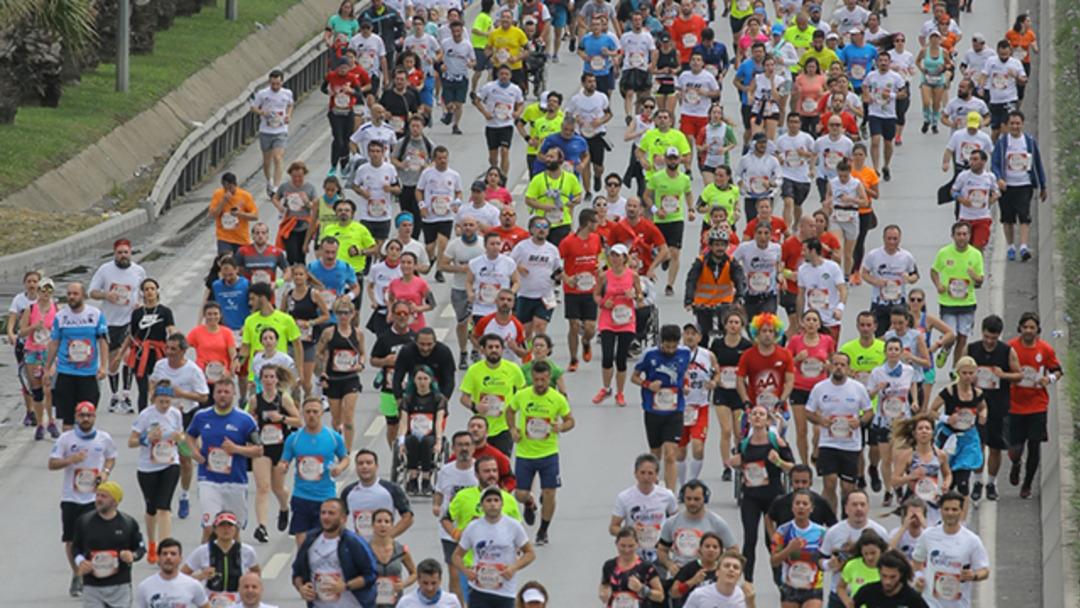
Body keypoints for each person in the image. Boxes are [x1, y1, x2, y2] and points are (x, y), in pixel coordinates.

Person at [49, 401, 118, 598]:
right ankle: (77, 573)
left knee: (93, 537)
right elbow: (52, 463)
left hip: (94, 498)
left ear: (95, 417)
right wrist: (70, 460)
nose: (85, 419)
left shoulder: (103, 438)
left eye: (89, 416)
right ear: (76, 417)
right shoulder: (66, 439)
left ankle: (95, 574)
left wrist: (105, 472)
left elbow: (111, 457)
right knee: (71, 539)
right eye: (82, 415)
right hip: (71, 497)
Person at [184, 381, 262, 542]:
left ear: (234, 394)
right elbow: (189, 436)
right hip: (208, 480)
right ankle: (206, 557)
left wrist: (236, 449)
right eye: (219, 392)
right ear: (213, 395)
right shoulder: (201, 416)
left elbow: (259, 450)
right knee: (209, 528)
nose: (222, 395)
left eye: (227, 392)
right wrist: (194, 452)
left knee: (232, 531)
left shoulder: (245, 420)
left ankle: (236, 558)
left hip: (235, 481)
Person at [507, 361, 574, 546]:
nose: (539, 383)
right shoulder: (522, 395)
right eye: (536, 380)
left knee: (549, 493)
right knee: (519, 494)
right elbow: (510, 411)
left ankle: (543, 530)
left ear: (549, 378)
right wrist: (512, 429)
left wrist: (561, 426)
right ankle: (529, 502)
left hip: (548, 453)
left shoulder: (557, 399)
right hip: (525, 453)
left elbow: (570, 421)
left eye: (543, 380)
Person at [150, 334, 211, 520]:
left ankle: (184, 495)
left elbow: (204, 396)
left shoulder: (192, 371)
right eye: (167, 348)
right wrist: (153, 400)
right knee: (160, 456)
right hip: (163, 417)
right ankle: (160, 497)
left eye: (174, 349)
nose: (169, 353)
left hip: (185, 418)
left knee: (185, 458)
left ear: (183, 351)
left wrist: (182, 394)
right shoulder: (160, 366)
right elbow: (153, 384)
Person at [806, 352, 873, 513]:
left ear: (848, 368)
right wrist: (821, 421)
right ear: (830, 366)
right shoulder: (820, 388)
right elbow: (808, 412)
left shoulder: (858, 388)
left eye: (843, 365)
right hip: (828, 443)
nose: (839, 368)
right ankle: (830, 520)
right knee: (829, 482)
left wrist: (860, 422)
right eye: (836, 364)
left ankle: (846, 518)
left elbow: (869, 412)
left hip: (850, 445)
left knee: (848, 487)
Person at [278, 396, 350, 546]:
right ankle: (303, 561)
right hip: (301, 496)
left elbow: (345, 458)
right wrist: (283, 466)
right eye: (308, 412)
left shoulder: (333, 437)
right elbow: (284, 460)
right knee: (302, 542)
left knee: (324, 541)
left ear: (321, 413)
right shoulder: (294, 438)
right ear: (302, 413)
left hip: (325, 497)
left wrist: (340, 467)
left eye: (315, 412)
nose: (311, 415)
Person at [452, 486, 536, 608]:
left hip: (505, 591)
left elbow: (530, 554)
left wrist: (513, 568)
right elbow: (456, 556)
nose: (493, 504)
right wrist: (466, 572)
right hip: (479, 590)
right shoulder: (473, 527)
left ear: (502, 504)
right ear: (482, 505)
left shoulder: (513, 526)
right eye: (489, 500)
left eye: (496, 500)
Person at [965, 314, 1019, 502]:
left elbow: (1019, 375)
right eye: (986, 337)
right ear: (982, 332)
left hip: (998, 405)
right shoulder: (971, 349)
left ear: (999, 335)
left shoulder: (1007, 351)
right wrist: (969, 378)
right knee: (977, 446)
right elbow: (960, 371)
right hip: (976, 404)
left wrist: (1003, 375)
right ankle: (977, 482)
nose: (989, 341)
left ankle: (991, 483)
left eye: (993, 338)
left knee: (995, 447)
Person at [1008, 311, 1062, 499]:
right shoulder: (1011, 348)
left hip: (1037, 405)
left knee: (1034, 445)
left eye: (1032, 327)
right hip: (1015, 404)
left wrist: (1049, 379)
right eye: (1025, 327)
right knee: (1015, 448)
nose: (1028, 331)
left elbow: (1057, 371)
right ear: (1020, 328)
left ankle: (1027, 484)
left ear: (1037, 329)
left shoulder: (1045, 349)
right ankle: (1016, 463)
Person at [631, 324, 692, 489]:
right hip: (653, 410)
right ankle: (655, 489)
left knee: (671, 454)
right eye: (667, 346)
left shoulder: (685, 353)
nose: (670, 350)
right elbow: (634, 377)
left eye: (673, 346)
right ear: (660, 341)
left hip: (675, 410)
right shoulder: (649, 355)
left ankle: (670, 494)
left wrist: (685, 385)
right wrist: (648, 384)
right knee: (655, 454)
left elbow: (684, 373)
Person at [88, 239, 146, 414]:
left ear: (131, 253)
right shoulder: (105, 270)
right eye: (119, 253)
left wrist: (141, 304)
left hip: (130, 321)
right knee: (114, 362)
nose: (123, 256)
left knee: (128, 357)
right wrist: (107, 295)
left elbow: (145, 292)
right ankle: (114, 396)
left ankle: (126, 396)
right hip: (110, 322)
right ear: (114, 254)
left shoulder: (138, 271)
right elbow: (92, 292)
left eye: (126, 252)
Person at [129, 385, 184, 561]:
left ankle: (164, 549)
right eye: (161, 402)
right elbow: (131, 441)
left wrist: (179, 438)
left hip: (170, 463)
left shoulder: (175, 414)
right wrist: (147, 438)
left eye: (168, 402)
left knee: (164, 507)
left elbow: (181, 436)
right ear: (154, 400)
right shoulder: (146, 415)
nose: (165, 405)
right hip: (148, 467)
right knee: (151, 509)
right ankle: (152, 543)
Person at [291, 498, 378, 606]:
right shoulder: (310, 540)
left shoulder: (353, 542)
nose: (326, 517)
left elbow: (370, 575)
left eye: (331, 513)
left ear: (343, 518)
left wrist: (345, 586)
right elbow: (297, 572)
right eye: (323, 513)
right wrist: (301, 588)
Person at [247, 364, 299, 544]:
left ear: (277, 380)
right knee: (263, 487)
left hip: (280, 447)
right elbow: (248, 421)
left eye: (271, 377)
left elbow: (299, 421)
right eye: (265, 377)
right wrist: (253, 421)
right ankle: (262, 527)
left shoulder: (283, 398)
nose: (268, 380)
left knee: (278, 488)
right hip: (262, 448)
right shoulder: (255, 400)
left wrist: (282, 418)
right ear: (260, 380)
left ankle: (284, 508)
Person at [867, 336, 921, 506]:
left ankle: (899, 487)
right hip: (883, 420)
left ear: (901, 352)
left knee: (901, 457)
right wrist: (878, 388)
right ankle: (888, 490)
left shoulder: (908, 370)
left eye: (896, 349)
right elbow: (869, 395)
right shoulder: (877, 372)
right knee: (886, 459)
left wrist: (914, 401)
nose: (893, 352)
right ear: (885, 352)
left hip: (902, 421)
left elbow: (913, 384)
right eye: (890, 349)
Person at [912, 491, 991, 607]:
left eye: (954, 509)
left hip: (958, 604)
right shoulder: (928, 535)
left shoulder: (972, 540)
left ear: (961, 511)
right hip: (931, 602)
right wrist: (919, 576)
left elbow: (984, 571)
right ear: (941, 510)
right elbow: (917, 561)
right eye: (946, 509)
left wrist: (973, 575)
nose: (950, 513)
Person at [991, 110, 1048, 262]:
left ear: (1022, 124)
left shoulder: (1029, 142)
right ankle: (1010, 247)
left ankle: (1023, 247)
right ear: (1008, 125)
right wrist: (999, 178)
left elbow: (1037, 164)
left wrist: (1043, 185)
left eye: (1018, 123)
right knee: (1007, 218)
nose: (1015, 126)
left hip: (1024, 184)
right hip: (1006, 186)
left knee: (1024, 216)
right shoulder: (1002, 143)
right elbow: (994, 164)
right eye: (1012, 123)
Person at [929, 356, 988, 500]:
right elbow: (932, 411)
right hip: (950, 437)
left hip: (968, 438)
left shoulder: (977, 393)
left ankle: (962, 506)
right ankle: (948, 504)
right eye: (964, 373)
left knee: (963, 480)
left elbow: (983, 407)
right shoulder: (949, 391)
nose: (967, 376)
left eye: (971, 373)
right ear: (958, 373)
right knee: (951, 478)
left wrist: (983, 415)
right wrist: (947, 418)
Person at [820, 490, 888, 608]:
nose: (859, 508)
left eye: (862, 504)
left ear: (868, 507)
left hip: (871, 596)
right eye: (854, 504)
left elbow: (888, 561)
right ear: (846, 508)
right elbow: (821, 559)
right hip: (839, 595)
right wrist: (829, 564)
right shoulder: (833, 532)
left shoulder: (880, 532)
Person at [930, 222, 984, 367]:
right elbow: (934, 271)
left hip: (967, 302)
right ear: (953, 236)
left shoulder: (976, 254)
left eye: (964, 234)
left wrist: (974, 276)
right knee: (951, 335)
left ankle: (956, 369)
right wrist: (938, 285)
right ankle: (946, 349)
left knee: (962, 338)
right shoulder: (944, 253)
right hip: (948, 302)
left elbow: (980, 280)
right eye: (958, 234)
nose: (961, 237)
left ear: (969, 236)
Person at [609, 454, 678, 563]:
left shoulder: (667, 495)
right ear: (635, 473)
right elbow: (613, 528)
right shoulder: (624, 497)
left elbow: (677, 523)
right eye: (642, 473)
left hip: (659, 552)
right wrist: (630, 531)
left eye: (650, 473)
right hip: (633, 553)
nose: (646, 477)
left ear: (656, 475)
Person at [181, 511, 260, 604]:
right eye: (222, 525)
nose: (226, 529)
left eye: (230, 525)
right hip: (210, 600)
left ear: (235, 529)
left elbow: (256, 571)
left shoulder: (247, 550)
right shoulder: (203, 551)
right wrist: (201, 576)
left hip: (238, 600)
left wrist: (248, 583)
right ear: (215, 529)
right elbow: (182, 576)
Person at [676, 323, 720, 485]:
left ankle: (692, 481)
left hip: (700, 406)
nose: (690, 337)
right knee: (680, 451)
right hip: (680, 408)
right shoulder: (676, 353)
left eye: (693, 334)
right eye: (687, 333)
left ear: (700, 337)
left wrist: (714, 382)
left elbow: (717, 372)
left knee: (698, 447)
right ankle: (682, 485)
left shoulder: (707, 355)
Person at [123, 278, 176, 413]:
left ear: (157, 291)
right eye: (146, 289)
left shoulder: (165, 311)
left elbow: (171, 329)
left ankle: (160, 414)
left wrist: (176, 345)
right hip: (141, 354)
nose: (150, 292)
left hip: (159, 354)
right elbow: (131, 336)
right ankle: (143, 417)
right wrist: (121, 354)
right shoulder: (137, 313)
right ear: (142, 293)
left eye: (152, 289)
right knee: (143, 390)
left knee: (159, 388)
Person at [770, 488, 828, 607]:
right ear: (792, 507)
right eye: (797, 503)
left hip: (813, 587)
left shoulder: (821, 532)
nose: (801, 507)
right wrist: (789, 549)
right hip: (790, 587)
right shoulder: (783, 531)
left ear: (811, 508)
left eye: (805, 504)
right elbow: (774, 561)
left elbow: (827, 557)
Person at [559, 208, 603, 369]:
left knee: (590, 328)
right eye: (596, 221)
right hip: (573, 290)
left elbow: (599, 257)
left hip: (590, 289)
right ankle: (573, 359)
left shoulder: (596, 238)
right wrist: (567, 279)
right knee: (574, 325)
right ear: (587, 223)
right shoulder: (568, 242)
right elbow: (556, 263)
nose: (598, 224)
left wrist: (600, 269)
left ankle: (585, 341)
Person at [396, 365, 449, 494]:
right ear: (414, 380)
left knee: (426, 442)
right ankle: (412, 477)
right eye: (419, 379)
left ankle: (426, 478)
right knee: (412, 440)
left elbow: (439, 422)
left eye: (425, 379)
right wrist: (401, 442)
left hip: (430, 435)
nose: (422, 382)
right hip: (412, 434)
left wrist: (438, 442)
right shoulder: (407, 399)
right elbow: (403, 424)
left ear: (431, 380)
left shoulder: (439, 399)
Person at [340, 449, 414, 541]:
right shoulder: (348, 492)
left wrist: (388, 537)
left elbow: (408, 517)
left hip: (382, 546)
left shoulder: (391, 489)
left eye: (369, 463)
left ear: (376, 466)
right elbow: (340, 519)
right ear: (356, 468)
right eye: (360, 463)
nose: (364, 466)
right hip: (356, 545)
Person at [892, 414, 952, 525]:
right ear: (914, 434)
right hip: (913, 502)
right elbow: (894, 480)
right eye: (920, 428)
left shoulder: (940, 454)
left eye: (927, 428)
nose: (924, 431)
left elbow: (948, 474)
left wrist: (946, 484)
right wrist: (911, 476)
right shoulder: (907, 455)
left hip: (933, 501)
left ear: (932, 433)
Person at [510, 217, 562, 343]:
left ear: (548, 231)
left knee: (540, 325)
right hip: (525, 294)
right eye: (538, 226)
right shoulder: (522, 247)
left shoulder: (552, 249)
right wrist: (518, 267)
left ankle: (541, 352)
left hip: (545, 295)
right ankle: (528, 353)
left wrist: (559, 278)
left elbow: (558, 269)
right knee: (526, 332)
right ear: (531, 229)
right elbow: (508, 264)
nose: (541, 230)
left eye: (545, 227)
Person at [684, 228, 744, 337]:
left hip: (725, 303)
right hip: (703, 304)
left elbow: (739, 279)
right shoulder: (701, 262)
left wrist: (739, 296)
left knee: (727, 332)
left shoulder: (731, 262)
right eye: (717, 245)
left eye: (723, 245)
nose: (720, 248)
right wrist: (689, 299)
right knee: (703, 334)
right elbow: (691, 281)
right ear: (710, 246)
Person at [568, 72, 614, 197]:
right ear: (583, 83)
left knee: (598, 166)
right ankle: (587, 191)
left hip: (597, 134)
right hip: (581, 135)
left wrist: (601, 121)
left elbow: (609, 114)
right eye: (589, 82)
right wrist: (576, 119)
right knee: (585, 163)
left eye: (594, 81)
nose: (592, 84)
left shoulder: (602, 97)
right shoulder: (576, 99)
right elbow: (568, 114)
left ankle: (598, 176)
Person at [475, 64, 526, 175]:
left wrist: (517, 113)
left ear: (510, 76)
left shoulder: (515, 89)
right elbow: (477, 100)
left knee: (505, 150)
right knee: (493, 156)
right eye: (502, 74)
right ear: (498, 75)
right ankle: (494, 171)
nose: (504, 76)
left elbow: (521, 103)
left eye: (506, 74)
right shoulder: (489, 87)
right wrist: (485, 113)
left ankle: (503, 176)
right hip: (492, 125)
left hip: (507, 125)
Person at [598, 528, 666, 606]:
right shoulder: (609, 566)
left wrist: (642, 589)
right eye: (623, 546)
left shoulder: (646, 567)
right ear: (616, 544)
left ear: (637, 545)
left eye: (631, 546)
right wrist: (603, 593)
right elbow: (604, 585)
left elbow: (661, 596)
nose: (627, 550)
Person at [135, 538, 210, 608]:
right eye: (164, 554)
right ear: (158, 558)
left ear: (180, 559)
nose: (168, 557)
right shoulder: (145, 586)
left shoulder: (193, 585)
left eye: (173, 554)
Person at [734, 221, 783, 322]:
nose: (763, 237)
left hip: (769, 294)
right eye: (759, 233)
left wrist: (780, 273)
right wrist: (739, 276)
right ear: (754, 234)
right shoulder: (744, 247)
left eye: (766, 233)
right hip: (750, 293)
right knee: (751, 326)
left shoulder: (776, 248)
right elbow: (732, 262)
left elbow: (779, 263)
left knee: (767, 323)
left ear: (771, 235)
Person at [368, 509, 418, 607]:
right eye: (379, 521)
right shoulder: (364, 550)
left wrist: (403, 584)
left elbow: (414, 573)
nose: (383, 525)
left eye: (387, 522)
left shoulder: (401, 550)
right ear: (372, 525)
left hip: (395, 603)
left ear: (391, 525)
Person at [979, 40, 1025, 140]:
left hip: (1010, 99)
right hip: (995, 101)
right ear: (997, 52)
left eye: (1006, 54)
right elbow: (984, 75)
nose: (1004, 57)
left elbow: (1024, 81)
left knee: (1005, 128)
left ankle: (1005, 147)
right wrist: (981, 88)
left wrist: (1016, 76)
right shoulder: (991, 61)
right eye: (1001, 55)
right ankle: (994, 148)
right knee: (995, 131)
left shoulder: (1016, 63)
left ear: (1010, 51)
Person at [851, 549, 930, 607]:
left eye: (893, 577)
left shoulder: (912, 597)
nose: (887, 581)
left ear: (901, 574)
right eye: (884, 576)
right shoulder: (868, 591)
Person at [683, 549, 755, 607]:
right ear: (717, 572)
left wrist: (751, 603)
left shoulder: (744, 596)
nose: (731, 569)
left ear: (740, 575)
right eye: (727, 566)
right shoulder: (699, 594)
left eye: (735, 567)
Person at [209, 174, 259, 256]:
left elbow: (255, 216)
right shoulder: (218, 194)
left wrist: (240, 214)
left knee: (240, 263)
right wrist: (223, 201)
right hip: (224, 238)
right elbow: (213, 215)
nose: (228, 190)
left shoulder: (245, 196)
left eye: (230, 187)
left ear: (235, 184)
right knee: (226, 260)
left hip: (241, 239)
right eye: (225, 187)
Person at [835, 530, 888, 606]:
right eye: (866, 553)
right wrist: (848, 603)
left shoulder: (889, 566)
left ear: (880, 550)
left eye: (873, 553)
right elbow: (840, 587)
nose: (869, 557)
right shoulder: (852, 565)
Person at [395, 558, 462, 607]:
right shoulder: (405, 603)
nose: (429, 588)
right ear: (418, 580)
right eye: (425, 583)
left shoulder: (452, 601)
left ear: (440, 580)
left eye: (433, 583)